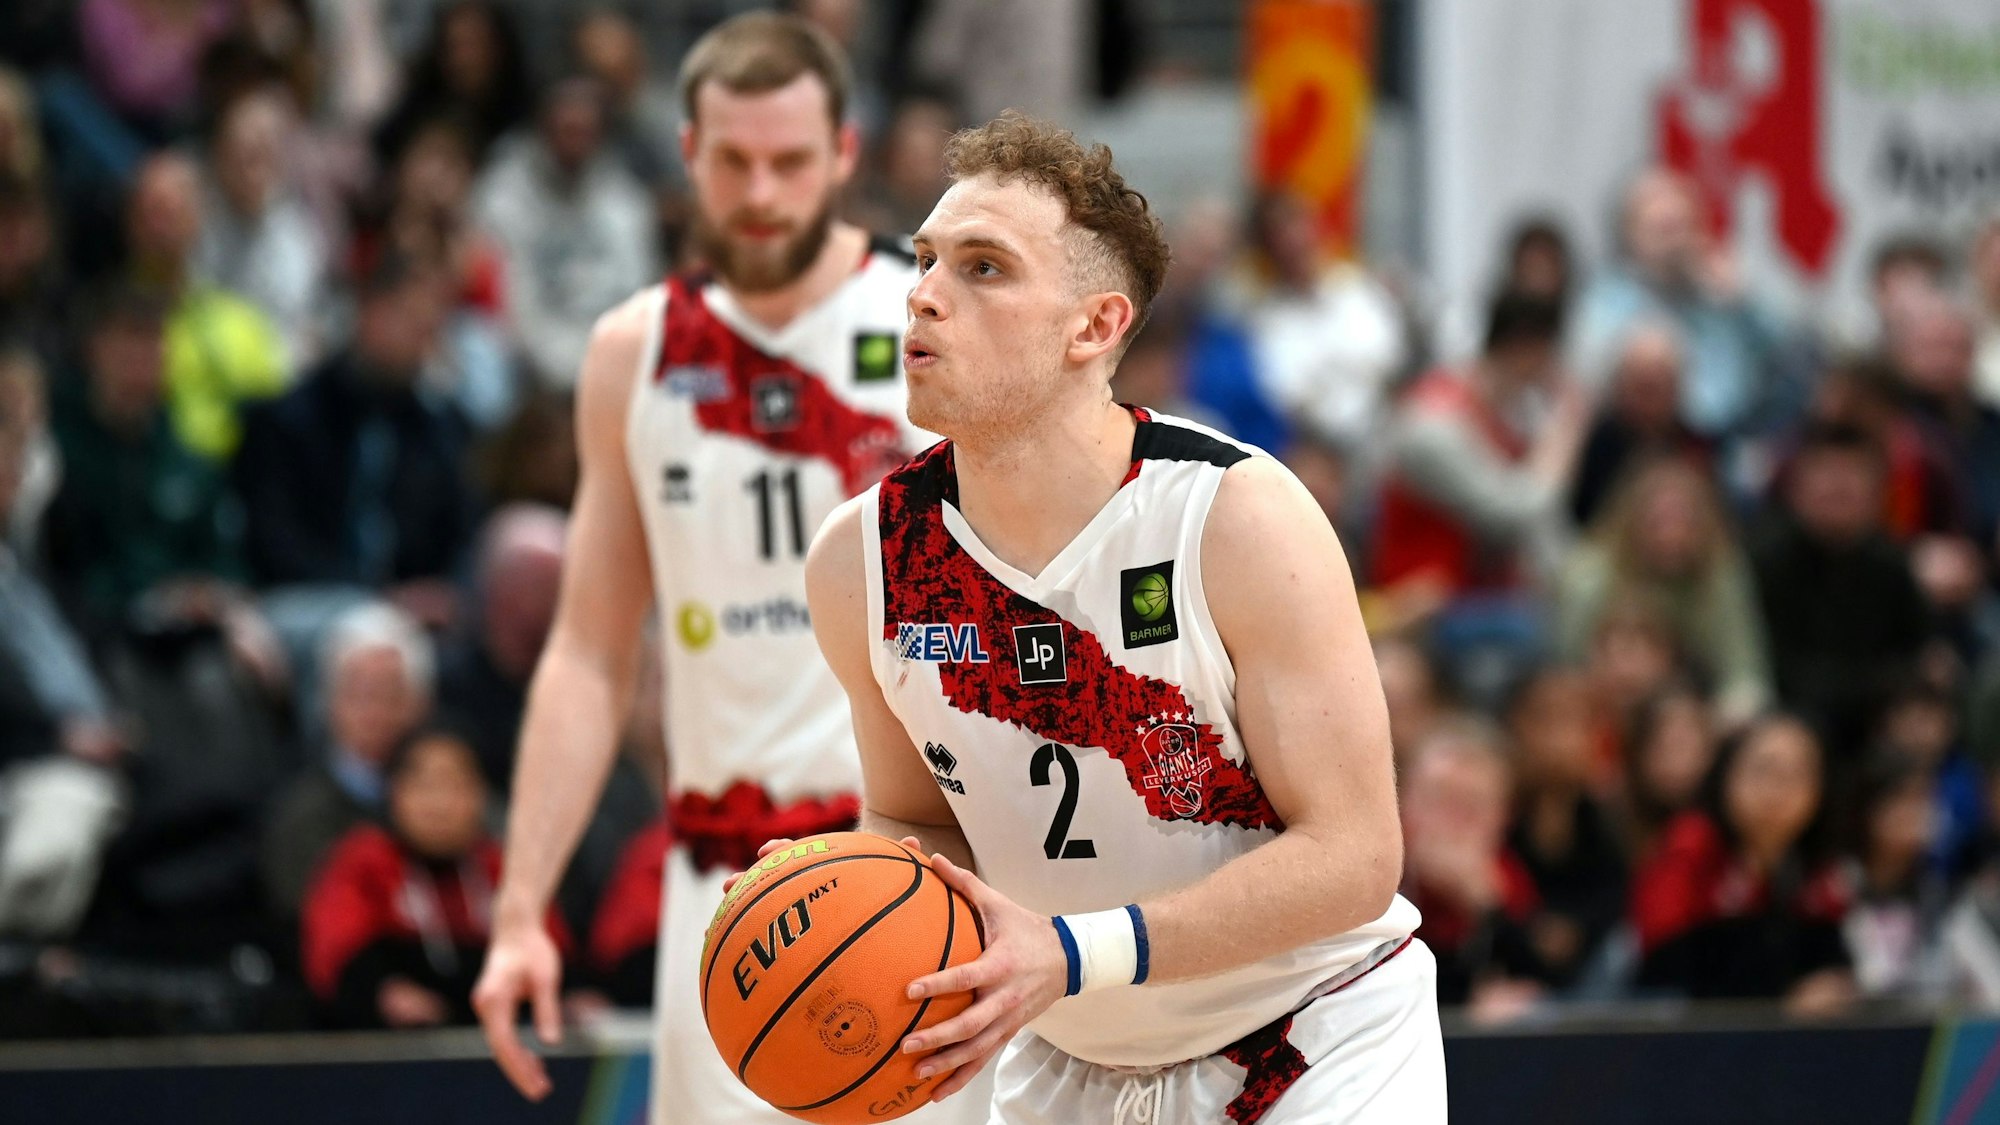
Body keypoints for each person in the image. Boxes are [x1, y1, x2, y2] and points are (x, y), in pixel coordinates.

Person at [796, 112, 1438, 1122]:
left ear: (1092, 328)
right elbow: (917, 822)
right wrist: (856, 919)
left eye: (982, 268)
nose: (919, 293)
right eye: (923, 260)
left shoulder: (1234, 517)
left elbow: (1356, 857)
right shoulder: (860, 561)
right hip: (1064, 1058)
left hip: (1313, 1036)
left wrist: (1069, 952)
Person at [470, 15, 971, 1124]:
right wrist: (518, 913)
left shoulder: (932, 318)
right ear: (688, 155)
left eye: (790, 161)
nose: (761, 192)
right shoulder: (631, 352)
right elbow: (590, 656)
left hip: (911, 884)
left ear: (844, 154)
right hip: (726, 906)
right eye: (733, 161)